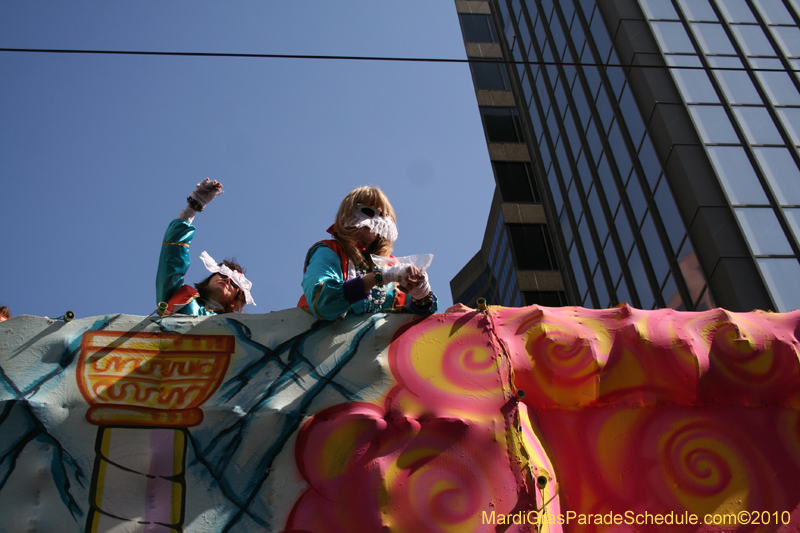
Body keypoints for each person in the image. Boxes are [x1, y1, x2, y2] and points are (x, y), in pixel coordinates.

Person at [299, 185, 437, 320]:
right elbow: (323, 303)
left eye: (382, 215)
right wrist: (378, 277)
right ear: (349, 214)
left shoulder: (393, 264)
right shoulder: (330, 250)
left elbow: (416, 321)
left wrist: (421, 294)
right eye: (368, 212)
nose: (375, 219)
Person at [156, 179, 255, 316]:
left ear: (235, 300)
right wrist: (192, 207)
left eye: (234, 284)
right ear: (209, 280)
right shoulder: (181, 298)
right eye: (223, 274)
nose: (227, 280)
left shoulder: (238, 327)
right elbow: (172, 258)